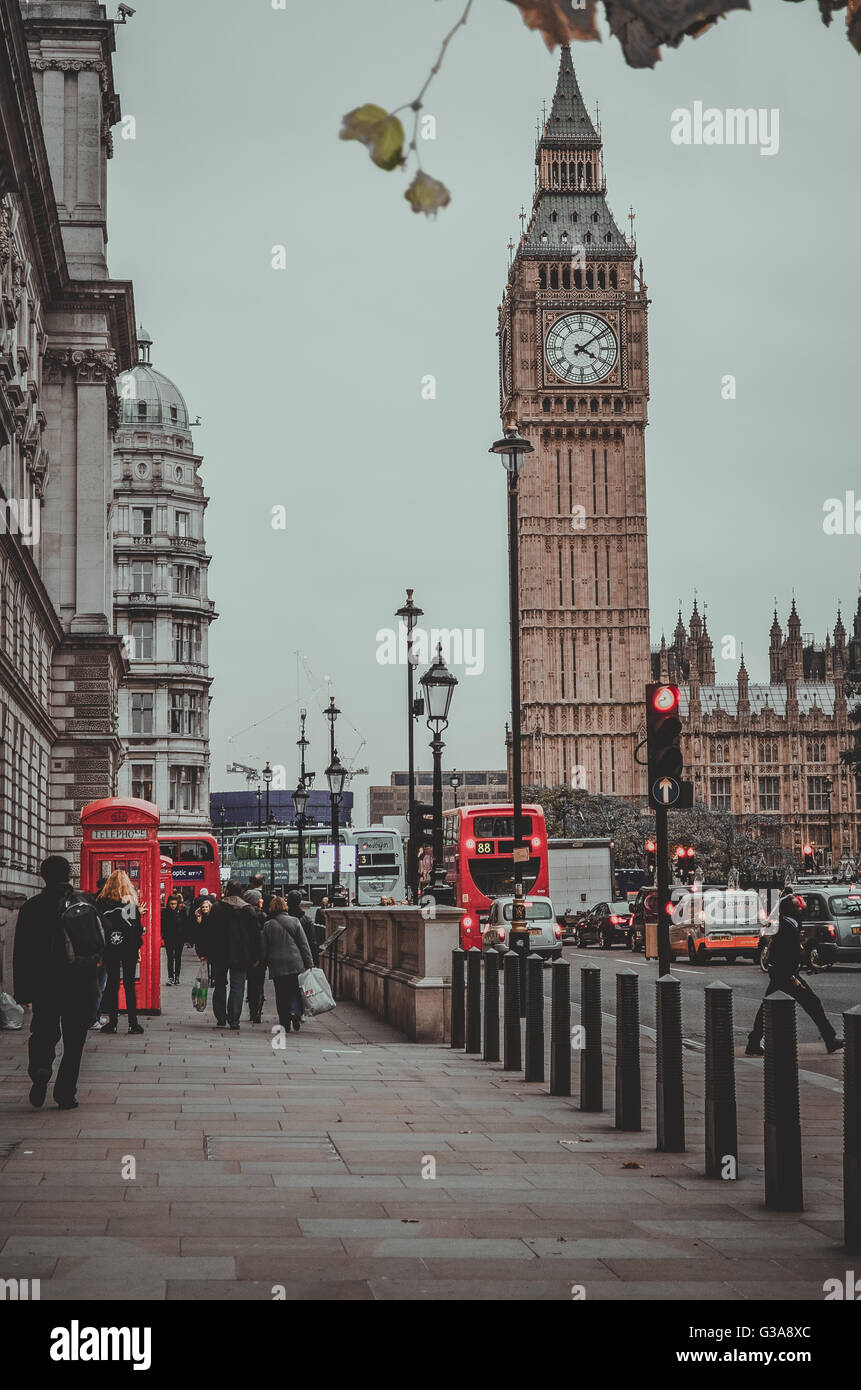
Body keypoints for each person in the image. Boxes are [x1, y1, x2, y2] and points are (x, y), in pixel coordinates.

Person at [13, 856, 103, 1110]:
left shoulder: (31, 907)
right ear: (69, 874)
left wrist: (23, 991)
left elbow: (21, 953)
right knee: (75, 1042)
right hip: (81, 982)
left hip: (45, 985)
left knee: (43, 1032)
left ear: (43, 875)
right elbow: (100, 939)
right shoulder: (85, 901)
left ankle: (41, 1068)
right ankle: (65, 1094)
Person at [746, 891, 844, 1056]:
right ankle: (830, 1040)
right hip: (785, 975)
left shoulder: (790, 924)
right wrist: (792, 978)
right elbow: (782, 955)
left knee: (767, 1008)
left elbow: (795, 950)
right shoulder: (786, 928)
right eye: (798, 907)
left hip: (784, 974)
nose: (801, 910)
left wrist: (810, 964)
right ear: (791, 910)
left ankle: (753, 1043)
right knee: (812, 1004)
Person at [207, 881, 261, 1030]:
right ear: (241, 892)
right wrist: (256, 956)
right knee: (238, 986)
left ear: (227, 890)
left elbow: (209, 933)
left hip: (220, 953)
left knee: (219, 984)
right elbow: (255, 936)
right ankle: (234, 1019)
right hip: (242, 954)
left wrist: (206, 952)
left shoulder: (217, 908)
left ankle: (221, 1017)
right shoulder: (248, 910)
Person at [98, 871, 145, 1035]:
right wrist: (137, 947)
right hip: (128, 948)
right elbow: (135, 929)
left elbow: (100, 927)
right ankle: (133, 1024)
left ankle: (113, 1023)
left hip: (110, 947)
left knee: (112, 984)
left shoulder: (103, 902)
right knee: (129, 985)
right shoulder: (129, 902)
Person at [260, 895, 313, 1033]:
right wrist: (309, 964)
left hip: (277, 964)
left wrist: (263, 963)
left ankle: (284, 1023)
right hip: (295, 962)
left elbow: (264, 948)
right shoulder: (295, 921)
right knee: (295, 991)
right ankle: (295, 1011)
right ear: (285, 906)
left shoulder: (268, 925)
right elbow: (304, 945)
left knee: (281, 993)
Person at [243, 887, 267, 1022]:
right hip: (259, 955)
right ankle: (257, 1010)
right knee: (259, 984)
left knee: (251, 983)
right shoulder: (262, 916)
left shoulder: (243, 915)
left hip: (246, 954)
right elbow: (262, 938)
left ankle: (253, 1010)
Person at [287, 889, 322, 969]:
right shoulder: (306, 919)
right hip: (302, 957)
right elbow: (312, 941)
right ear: (299, 902)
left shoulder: (282, 918)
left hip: (286, 957)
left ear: (288, 902)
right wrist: (314, 959)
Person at [161, 892, 187, 986]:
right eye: (171, 904)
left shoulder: (182, 911)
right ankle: (170, 977)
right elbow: (162, 925)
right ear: (168, 903)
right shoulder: (164, 912)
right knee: (170, 958)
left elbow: (185, 924)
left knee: (178, 958)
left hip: (179, 938)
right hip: (169, 938)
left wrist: (186, 937)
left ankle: (177, 977)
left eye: (174, 904)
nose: (173, 906)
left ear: (178, 903)